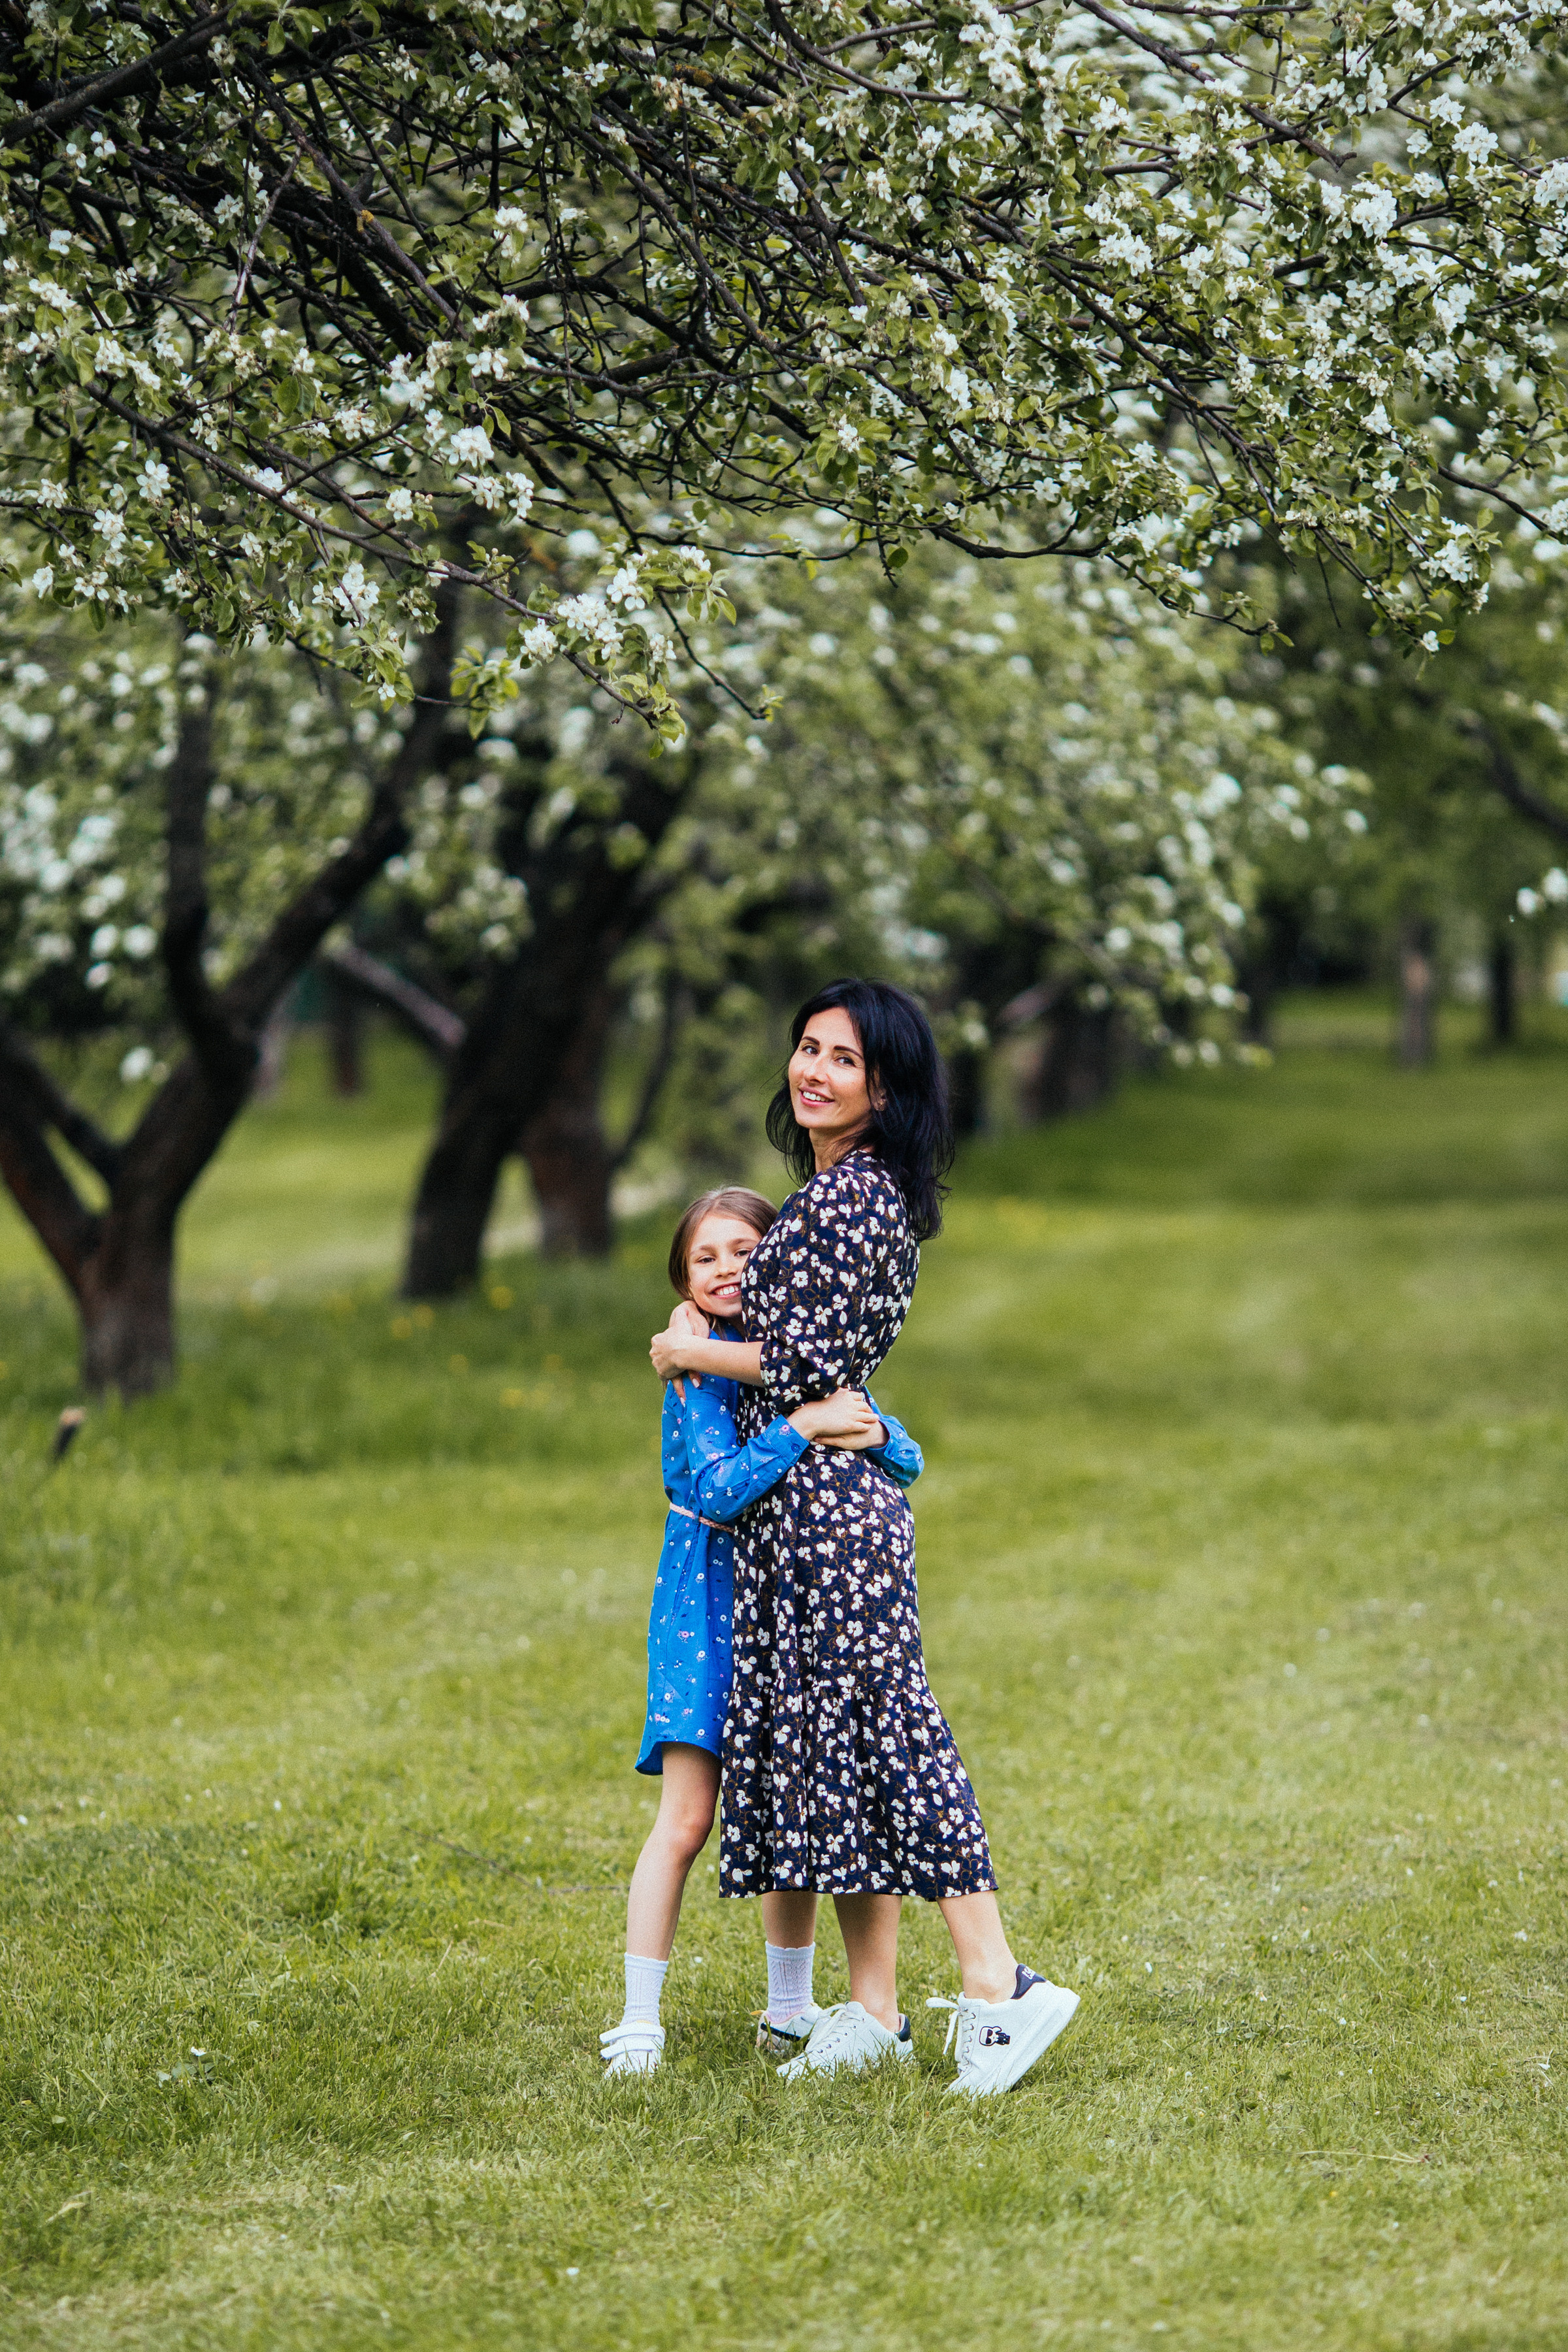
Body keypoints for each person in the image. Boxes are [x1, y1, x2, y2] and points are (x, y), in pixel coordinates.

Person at [651, 980, 1079, 2096]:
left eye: (843, 1059)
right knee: (833, 1752)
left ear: (884, 1089)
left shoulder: (854, 1199)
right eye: (807, 1048)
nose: (814, 1070)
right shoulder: (836, 1190)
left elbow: (801, 1364)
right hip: (796, 1512)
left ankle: (1001, 1984)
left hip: (832, 1518)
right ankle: (875, 2012)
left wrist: (687, 1351)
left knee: (893, 1736)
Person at [602, 1184, 924, 2077]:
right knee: (688, 1815)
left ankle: (789, 2011)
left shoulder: (792, 1356)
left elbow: (905, 1455)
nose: (726, 1270)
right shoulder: (697, 1372)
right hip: (706, 1608)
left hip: (784, 1603)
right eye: (704, 1259)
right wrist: (802, 1426)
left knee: (788, 1799)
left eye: (744, 1252)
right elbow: (715, 1489)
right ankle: (638, 2020)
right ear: (683, 1281)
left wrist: (868, 1428)